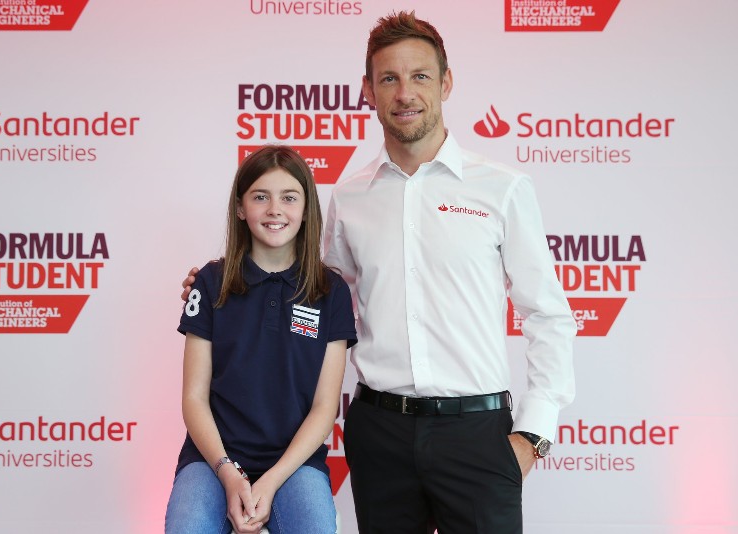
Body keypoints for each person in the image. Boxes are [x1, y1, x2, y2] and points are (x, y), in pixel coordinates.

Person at [182, 11, 575, 534]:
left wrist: (534, 434)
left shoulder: (502, 188)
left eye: (420, 76)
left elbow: (547, 313)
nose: (405, 93)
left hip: (478, 433)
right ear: (368, 90)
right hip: (380, 432)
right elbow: (309, 289)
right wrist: (219, 285)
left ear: (446, 83)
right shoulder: (349, 198)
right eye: (388, 78)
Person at [166, 144, 357, 534]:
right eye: (260, 197)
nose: (275, 210)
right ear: (240, 208)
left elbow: (324, 408)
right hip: (212, 458)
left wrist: (270, 481)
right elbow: (194, 397)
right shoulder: (210, 282)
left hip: (294, 463)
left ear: (306, 209)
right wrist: (227, 472)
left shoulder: (330, 291)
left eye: (289, 197)